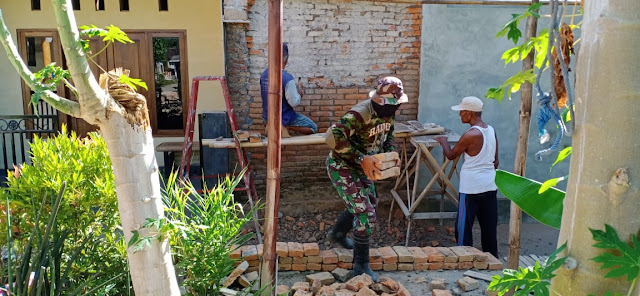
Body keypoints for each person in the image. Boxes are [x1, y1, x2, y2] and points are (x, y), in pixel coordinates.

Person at [325, 76, 408, 282]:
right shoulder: (360, 113)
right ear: (381, 101)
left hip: (363, 166)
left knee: (370, 202)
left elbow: (387, 137)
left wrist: (389, 156)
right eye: (394, 104)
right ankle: (360, 267)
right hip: (342, 165)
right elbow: (333, 138)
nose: (396, 108)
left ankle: (337, 234)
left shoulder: (389, 113)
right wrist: (362, 158)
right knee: (365, 213)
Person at [434, 96, 499, 258]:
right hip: (490, 184)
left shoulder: (471, 134)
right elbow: (495, 161)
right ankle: (492, 259)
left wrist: (443, 141)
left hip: (471, 188)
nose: (460, 115)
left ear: (469, 113)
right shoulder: (490, 130)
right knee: (489, 227)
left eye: (462, 112)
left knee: (463, 227)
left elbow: (451, 155)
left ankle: (464, 258)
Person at [260, 42, 318, 136]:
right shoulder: (287, 78)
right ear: (286, 59)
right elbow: (293, 102)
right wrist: (299, 95)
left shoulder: (264, 74)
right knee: (313, 128)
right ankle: (287, 127)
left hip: (267, 117)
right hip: (284, 117)